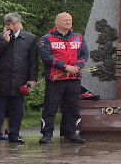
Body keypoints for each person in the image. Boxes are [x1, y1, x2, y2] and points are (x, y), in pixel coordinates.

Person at [0, 12, 39, 144]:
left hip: (20, 79)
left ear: (20, 24)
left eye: (13, 24)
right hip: (2, 79)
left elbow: (33, 61)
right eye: (8, 24)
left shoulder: (30, 38)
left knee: (16, 110)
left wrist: (32, 78)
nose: (11, 26)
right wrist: (5, 41)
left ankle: (14, 134)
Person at [38, 12, 88, 144]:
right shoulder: (46, 38)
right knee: (50, 107)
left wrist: (77, 66)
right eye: (65, 20)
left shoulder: (78, 37)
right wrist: (65, 67)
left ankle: (70, 133)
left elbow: (84, 54)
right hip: (55, 79)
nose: (68, 22)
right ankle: (47, 134)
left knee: (72, 107)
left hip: (74, 79)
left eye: (70, 20)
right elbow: (46, 57)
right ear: (57, 22)